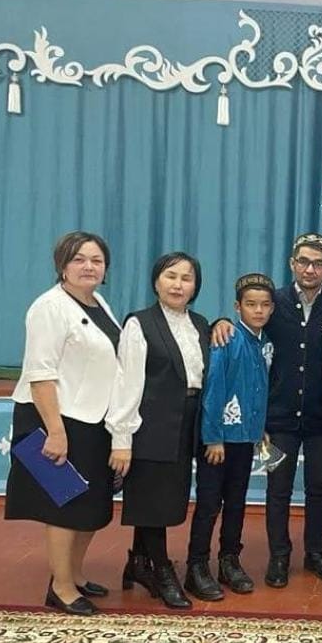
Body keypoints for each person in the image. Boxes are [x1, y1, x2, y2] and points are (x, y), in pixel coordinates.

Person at [211, 233, 322, 589]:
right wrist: (219, 322)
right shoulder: (274, 303)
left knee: (319, 487)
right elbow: (247, 328)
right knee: (279, 487)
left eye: (318, 263)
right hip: (278, 418)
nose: (310, 269)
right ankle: (279, 555)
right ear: (292, 264)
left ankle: (315, 552)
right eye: (303, 261)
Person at [5, 231, 121, 616]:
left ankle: (75, 573)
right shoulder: (48, 307)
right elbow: (40, 374)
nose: (89, 266)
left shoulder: (98, 302)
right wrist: (55, 432)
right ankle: (61, 587)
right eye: (78, 259)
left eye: (96, 260)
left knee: (91, 506)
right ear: (62, 265)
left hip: (93, 419)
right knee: (64, 506)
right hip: (56, 419)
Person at [107, 252, 210, 611]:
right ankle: (162, 570)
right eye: (171, 276)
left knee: (164, 497)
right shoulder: (140, 324)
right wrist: (122, 439)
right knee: (153, 500)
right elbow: (127, 383)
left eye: (186, 278)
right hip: (150, 423)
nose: (178, 284)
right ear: (156, 281)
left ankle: (139, 563)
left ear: (196, 286)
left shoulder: (200, 324)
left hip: (187, 422)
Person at [184, 273, 275, 601]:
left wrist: (258, 428)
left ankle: (229, 560)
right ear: (238, 307)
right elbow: (214, 390)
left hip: (245, 440)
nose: (258, 310)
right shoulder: (226, 339)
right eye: (251, 304)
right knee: (209, 503)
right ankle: (196, 566)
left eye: (264, 305)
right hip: (219, 442)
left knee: (236, 502)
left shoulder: (264, 343)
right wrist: (213, 438)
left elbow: (258, 391)